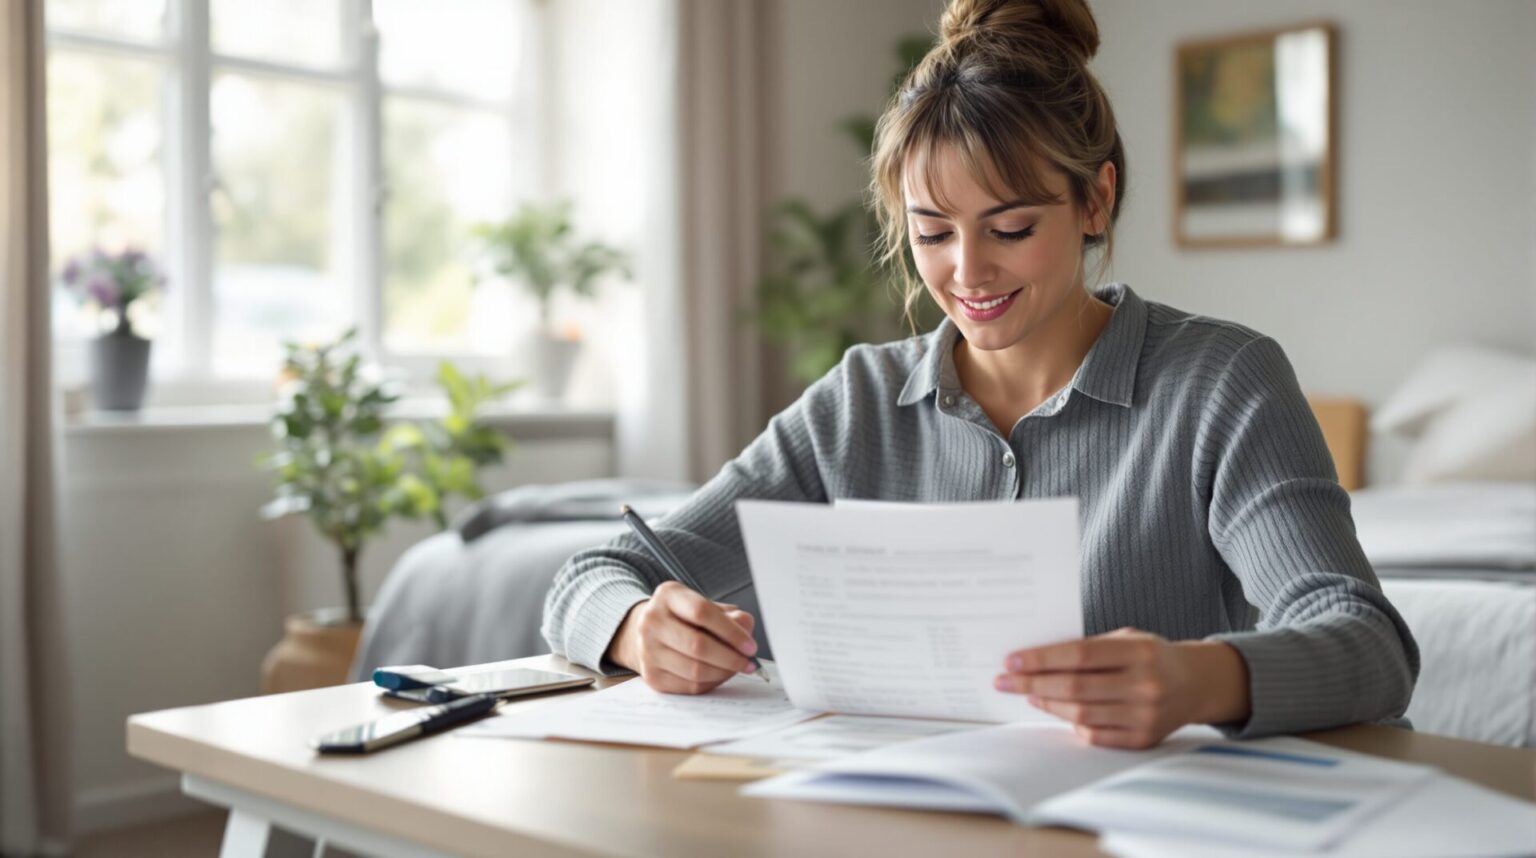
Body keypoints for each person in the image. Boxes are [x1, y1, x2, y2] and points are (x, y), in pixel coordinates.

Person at [542, 0, 1417, 749]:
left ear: (1096, 200)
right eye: (932, 232)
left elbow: (1369, 646)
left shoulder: (1221, 382)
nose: (967, 272)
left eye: (1010, 229)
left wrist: (1198, 680)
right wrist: (636, 628)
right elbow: (596, 572)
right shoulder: (858, 404)